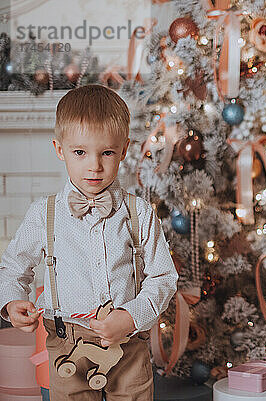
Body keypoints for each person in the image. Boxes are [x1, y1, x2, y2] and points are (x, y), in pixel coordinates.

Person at [0, 84, 178, 400]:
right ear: (60, 149)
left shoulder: (138, 212)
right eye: (80, 152)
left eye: (106, 152)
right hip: (66, 343)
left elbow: (163, 277)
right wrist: (12, 301)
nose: (94, 165)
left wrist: (132, 315)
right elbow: (14, 266)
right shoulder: (45, 213)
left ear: (124, 150)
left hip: (128, 342)